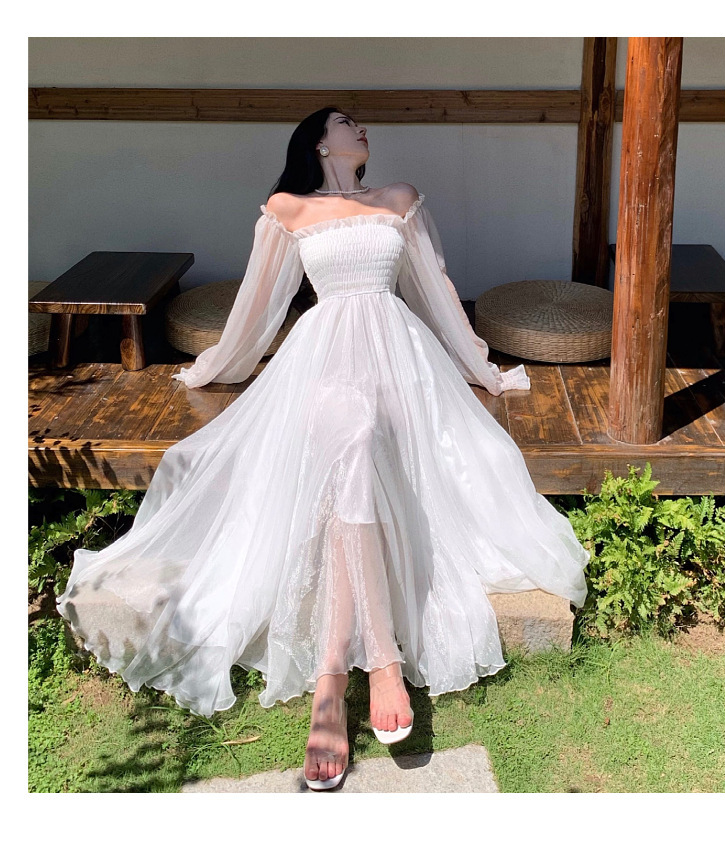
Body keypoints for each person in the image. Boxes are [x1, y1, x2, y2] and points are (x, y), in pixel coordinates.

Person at [57, 107, 590, 791]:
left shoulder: (398, 198)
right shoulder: (288, 208)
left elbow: (437, 290)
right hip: (323, 359)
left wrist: (479, 366)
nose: (360, 128)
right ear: (319, 143)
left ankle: (330, 680)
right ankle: (378, 666)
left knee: (360, 440)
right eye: (345, 121)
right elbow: (256, 304)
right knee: (351, 442)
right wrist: (214, 364)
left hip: (398, 360)